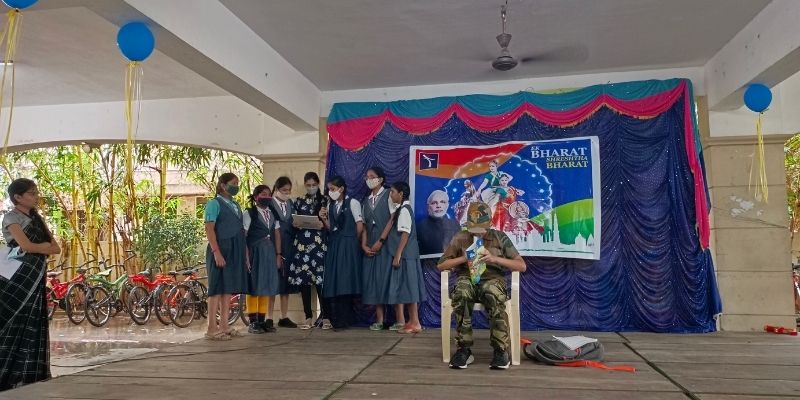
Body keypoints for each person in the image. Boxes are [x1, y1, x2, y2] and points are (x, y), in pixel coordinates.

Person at [437, 202, 526, 370]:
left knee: (492, 291)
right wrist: (463, 258)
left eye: (481, 228)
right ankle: (464, 349)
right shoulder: (461, 237)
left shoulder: (499, 237)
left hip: (492, 279)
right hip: (467, 278)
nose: (477, 232)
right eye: (474, 228)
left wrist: (494, 259)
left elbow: (521, 266)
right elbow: (441, 265)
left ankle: (500, 350)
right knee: (462, 292)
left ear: (489, 223)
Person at [0, 178, 60, 390]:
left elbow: (56, 248)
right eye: (32, 193)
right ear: (18, 197)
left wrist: (39, 247)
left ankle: (29, 374)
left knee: (33, 322)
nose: (36, 197)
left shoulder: (37, 219)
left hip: (36, 277)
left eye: (36, 193)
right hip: (17, 278)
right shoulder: (11, 217)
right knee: (13, 321)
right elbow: (25, 246)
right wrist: (42, 247)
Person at [204, 173, 248, 340]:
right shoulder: (214, 204)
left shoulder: (235, 205)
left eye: (237, 183)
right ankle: (211, 328)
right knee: (216, 289)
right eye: (233, 183)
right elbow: (209, 228)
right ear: (223, 185)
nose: (236, 186)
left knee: (227, 288)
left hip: (234, 249)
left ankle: (224, 325)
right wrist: (216, 252)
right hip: (220, 249)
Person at [381, 181, 426, 334]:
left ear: (401, 194)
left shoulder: (405, 210)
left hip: (406, 256)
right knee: (408, 288)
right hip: (407, 255)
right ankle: (413, 321)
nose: (390, 195)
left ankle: (415, 322)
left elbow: (405, 234)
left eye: (393, 192)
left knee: (410, 289)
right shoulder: (401, 209)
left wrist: (398, 255)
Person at [288, 172, 331, 330]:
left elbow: (330, 222)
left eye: (314, 185)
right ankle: (308, 317)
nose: (311, 187)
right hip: (302, 246)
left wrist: (323, 223)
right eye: (308, 185)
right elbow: (293, 220)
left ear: (318, 184)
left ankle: (326, 316)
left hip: (319, 245)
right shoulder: (299, 201)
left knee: (320, 282)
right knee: (304, 282)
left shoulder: (325, 200)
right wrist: (296, 223)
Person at [360, 167, 402, 331]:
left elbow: (392, 219)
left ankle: (399, 319)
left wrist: (381, 240)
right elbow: (364, 226)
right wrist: (364, 245)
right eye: (367, 177)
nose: (369, 179)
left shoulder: (388, 195)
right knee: (375, 282)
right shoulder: (366, 201)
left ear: (381, 179)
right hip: (371, 245)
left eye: (372, 176)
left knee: (391, 280)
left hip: (387, 244)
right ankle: (380, 319)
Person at [321, 176, 363, 330]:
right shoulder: (330, 205)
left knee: (346, 280)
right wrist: (323, 219)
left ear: (341, 189)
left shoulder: (353, 203)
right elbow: (331, 227)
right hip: (335, 244)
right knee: (335, 280)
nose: (330, 192)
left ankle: (345, 318)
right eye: (329, 189)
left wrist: (353, 241)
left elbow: (359, 225)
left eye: (333, 189)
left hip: (348, 244)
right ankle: (337, 317)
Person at [243, 185, 282, 334]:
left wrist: (278, 254)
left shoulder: (273, 213)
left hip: (269, 253)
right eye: (263, 194)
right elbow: (243, 235)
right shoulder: (249, 213)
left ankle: (262, 320)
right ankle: (253, 322)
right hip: (254, 252)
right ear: (255, 197)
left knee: (265, 285)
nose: (266, 197)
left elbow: (277, 234)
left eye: (268, 194)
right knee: (254, 286)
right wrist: (246, 256)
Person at [272, 176, 299, 328]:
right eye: (284, 190)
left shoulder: (291, 204)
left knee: (286, 281)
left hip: (288, 245)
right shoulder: (269, 204)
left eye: (289, 190)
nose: (286, 193)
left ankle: (284, 316)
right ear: (276, 189)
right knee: (271, 281)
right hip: (273, 245)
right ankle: (268, 316)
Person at [417, 189, 461, 255]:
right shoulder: (419, 227)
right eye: (434, 203)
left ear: (447, 205)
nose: (438, 206)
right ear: (428, 207)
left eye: (442, 202)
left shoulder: (455, 225)